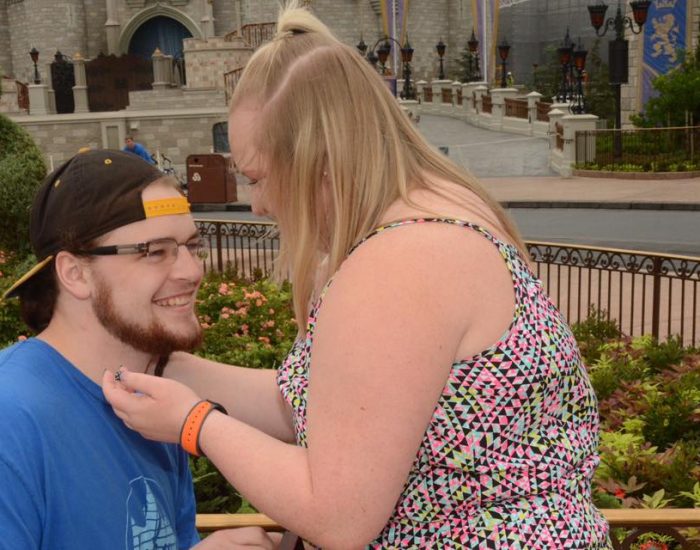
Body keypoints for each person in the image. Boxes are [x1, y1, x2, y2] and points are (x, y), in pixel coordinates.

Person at [103, 3, 612, 548]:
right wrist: (168, 366)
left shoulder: (399, 263)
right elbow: (327, 405)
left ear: (319, 162)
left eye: (259, 177)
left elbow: (339, 515)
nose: (257, 204)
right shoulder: (441, 217)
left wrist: (195, 423)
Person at [0, 149, 278, 549]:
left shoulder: (148, 402)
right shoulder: (12, 416)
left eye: (191, 246)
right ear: (75, 274)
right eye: (155, 252)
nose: (192, 271)